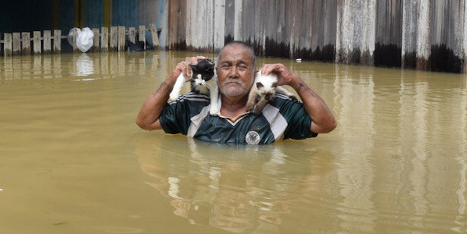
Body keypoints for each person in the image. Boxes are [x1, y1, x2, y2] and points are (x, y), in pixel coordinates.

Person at [136, 41, 337, 144]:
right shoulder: (193, 105)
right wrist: (174, 78)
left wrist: (295, 81)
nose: (233, 73)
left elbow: (326, 124)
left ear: (255, 73)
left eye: (242, 67)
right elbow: (145, 121)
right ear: (216, 71)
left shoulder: (277, 107)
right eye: (225, 66)